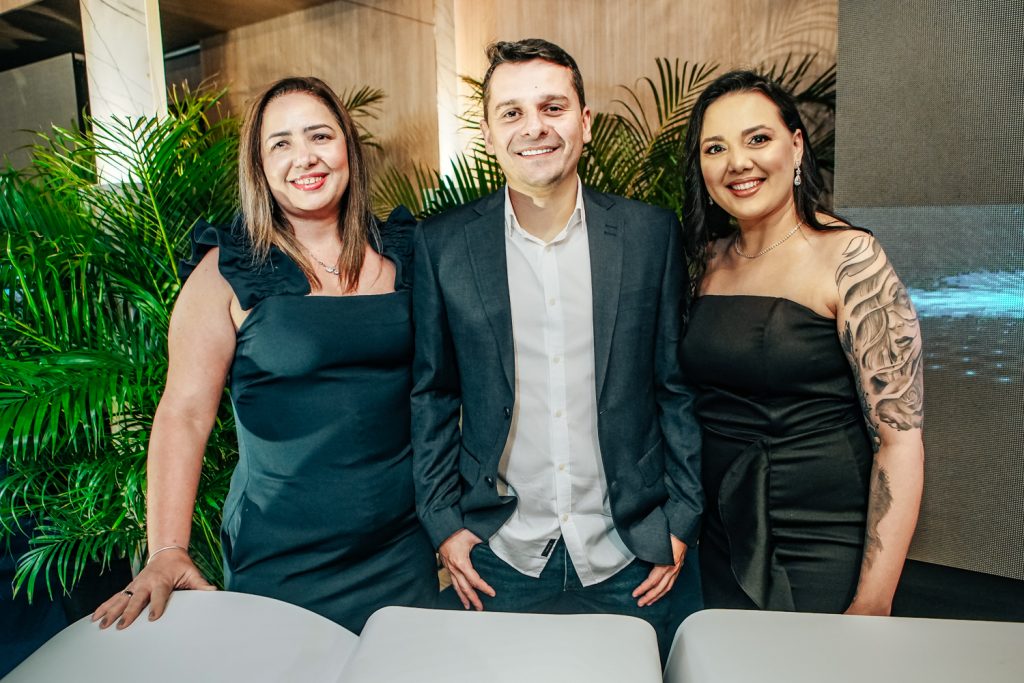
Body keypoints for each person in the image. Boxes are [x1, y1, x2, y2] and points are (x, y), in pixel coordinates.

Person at [92, 76, 438, 634]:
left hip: (402, 549)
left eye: (320, 136)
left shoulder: (408, 251)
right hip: (280, 557)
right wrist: (167, 549)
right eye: (281, 143)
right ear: (259, 165)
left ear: (347, 146)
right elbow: (184, 413)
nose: (305, 157)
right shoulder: (225, 272)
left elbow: (446, 389)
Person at [411, 38, 702, 652]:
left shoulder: (649, 234)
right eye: (511, 112)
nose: (534, 127)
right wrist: (444, 525)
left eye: (552, 107)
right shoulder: (442, 245)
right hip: (498, 555)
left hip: (632, 554)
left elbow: (674, 388)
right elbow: (433, 395)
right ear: (488, 134)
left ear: (585, 122)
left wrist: (680, 520)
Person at [679, 70, 924, 615]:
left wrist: (874, 600)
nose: (737, 162)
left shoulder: (850, 258)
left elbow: (899, 440)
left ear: (795, 146)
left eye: (757, 139)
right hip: (720, 535)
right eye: (715, 148)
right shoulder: (704, 262)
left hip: (818, 537)